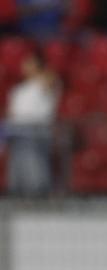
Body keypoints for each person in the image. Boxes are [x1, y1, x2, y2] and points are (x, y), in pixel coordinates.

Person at [4, 49, 59, 197]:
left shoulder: (45, 83)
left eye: (29, 63)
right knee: (18, 168)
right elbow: (12, 113)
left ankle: (38, 194)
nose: (24, 66)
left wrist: (41, 68)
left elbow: (50, 79)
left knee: (35, 167)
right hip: (17, 131)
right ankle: (18, 193)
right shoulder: (19, 89)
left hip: (36, 131)